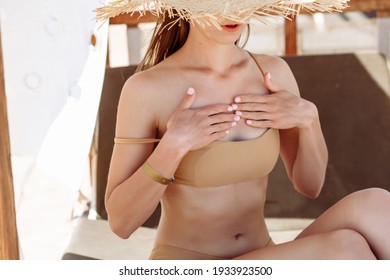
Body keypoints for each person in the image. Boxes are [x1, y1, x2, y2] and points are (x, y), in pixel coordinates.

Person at [97, 0, 390, 259]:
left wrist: (308, 119)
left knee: (378, 204)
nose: (234, 10)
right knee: (347, 249)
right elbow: (121, 223)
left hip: (263, 256)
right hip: (190, 264)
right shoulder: (147, 89)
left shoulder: (271, 73)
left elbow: (310, 186)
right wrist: (173, 146)